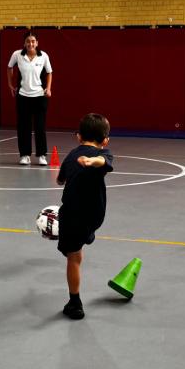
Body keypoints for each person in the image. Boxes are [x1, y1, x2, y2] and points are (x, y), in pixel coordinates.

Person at [56, 113, 114, 320]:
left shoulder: (72, 156)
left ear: (78, 136)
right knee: (78, 248)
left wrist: (90, 161)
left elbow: (60, 180)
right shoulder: (105, 153)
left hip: (73, 215)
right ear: (105, 140)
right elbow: (104, 161)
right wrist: (94, 161)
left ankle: (75, 303)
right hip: (95, 215)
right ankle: (82, 239)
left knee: (72, 258)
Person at [7, 31, 53, 165]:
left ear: (37, 43)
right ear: (24, 43)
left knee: (40, 127)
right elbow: (9, 67)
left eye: (33, 41)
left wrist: (48, 88)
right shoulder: (17, 55)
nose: (30, 44)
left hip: (39, 96)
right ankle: (24, 155)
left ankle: (42, 155)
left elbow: (49, 72)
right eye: (28, 41)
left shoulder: (43, 56)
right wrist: (10, 84)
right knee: (23, 127)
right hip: (23, 96)